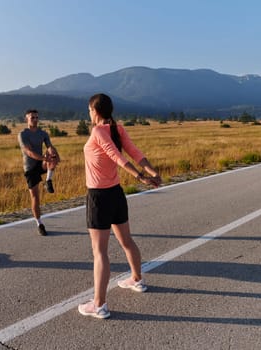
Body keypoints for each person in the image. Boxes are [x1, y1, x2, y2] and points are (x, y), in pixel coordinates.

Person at [78, 93, 162, 319]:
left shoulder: (98, 131)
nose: (89, 114)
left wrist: (141, 176)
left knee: (100, 252)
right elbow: (135, 153)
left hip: (98, 197)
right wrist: (152, 171)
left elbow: (116, 156)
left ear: (95, 111)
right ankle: (137, 280)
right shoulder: (117, 129)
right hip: (116, 194)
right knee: (126, 241)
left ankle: (99, 304)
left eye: (89, 110)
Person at [18, 109, 60, 236]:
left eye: (37, 117)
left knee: (52, 153)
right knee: (35, 197)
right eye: (32, 118)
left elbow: (49, 146)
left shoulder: (43, 133)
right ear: (26, 119)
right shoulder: (23, 134)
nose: (35, 120)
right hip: (30, 168)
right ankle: (39, 223)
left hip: (41, 163)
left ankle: (48, 180)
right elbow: (28, 152)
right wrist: (44, 158)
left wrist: (54, 153)